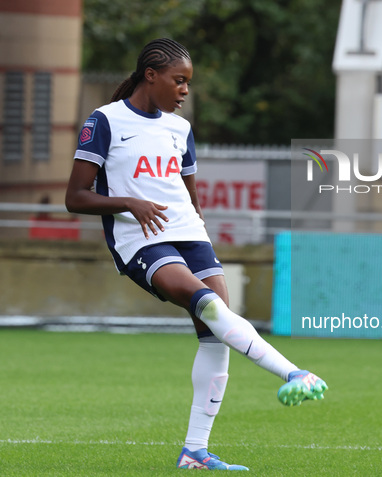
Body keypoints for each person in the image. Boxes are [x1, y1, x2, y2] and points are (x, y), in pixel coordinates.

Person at [65, 38, 327, 471]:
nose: (185, 90)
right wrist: (129, 202)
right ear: (151, 75)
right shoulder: (105, 121)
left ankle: (195, 452)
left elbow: (188, 191)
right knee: (208, 305)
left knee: (215, 330)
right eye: (179, 80)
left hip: (187, 231)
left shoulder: (179, 129)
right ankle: (292, 372)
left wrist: (200, 225)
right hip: (140, 239)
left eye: (188, 82)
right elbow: (75, 197)